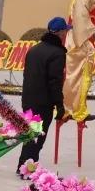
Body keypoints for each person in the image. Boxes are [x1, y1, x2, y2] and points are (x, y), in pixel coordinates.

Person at [17, 16, 68, 169]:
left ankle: (24, 166)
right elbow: (54, 81)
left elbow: (27, 75)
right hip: (43, 103)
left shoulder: (34, 50)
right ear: (61, 33)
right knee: (38, 137)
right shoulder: (57, 53)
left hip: (28, 100)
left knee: (31, 135)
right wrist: (59, 105)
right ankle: (28, 168)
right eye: (65, 31)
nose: (66, 34)